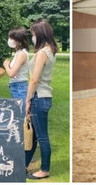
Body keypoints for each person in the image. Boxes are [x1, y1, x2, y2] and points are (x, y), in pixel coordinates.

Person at [25, 19, 57, 179]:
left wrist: (28, 100)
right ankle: (23, 165)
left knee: (42, 137)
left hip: (39, 96)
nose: (32, 37)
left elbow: (34, 80)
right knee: (36, 136)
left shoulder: (42, 53)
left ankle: (44, 170)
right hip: (45, 97)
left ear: (40, 34)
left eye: (33, 34)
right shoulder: (50, 50)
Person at [3, 27, 30, 100]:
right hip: (17, 86)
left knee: (21, 110)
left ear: (19, 41)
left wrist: (6, 66)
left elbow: (12, 74)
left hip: (19, 87)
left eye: (12, 39)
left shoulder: (21, 54)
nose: (10, 41)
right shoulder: (19, 52)